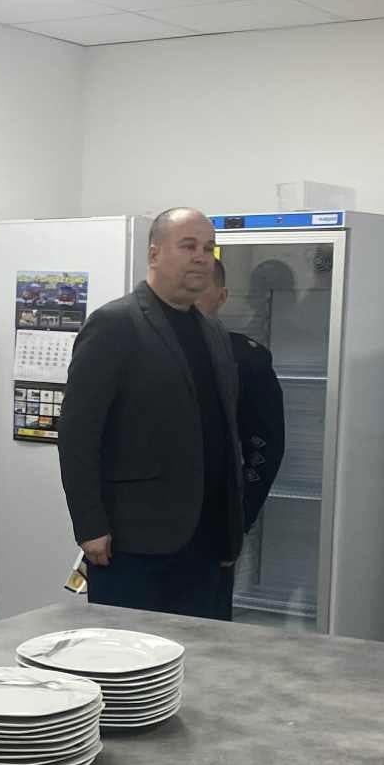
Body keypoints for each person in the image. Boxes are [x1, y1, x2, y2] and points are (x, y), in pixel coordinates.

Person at [57, 208, 242, 621]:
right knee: (130, 653)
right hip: (134, 542)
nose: (202, 257)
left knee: (207, 654)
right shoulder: (114, 324)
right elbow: (77, 434)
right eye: (189, 246)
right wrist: (89, 526)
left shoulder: (212, 331)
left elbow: (225, 433)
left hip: (209, 541)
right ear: (154, 254)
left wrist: (232, 529)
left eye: (209, 248)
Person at [195, 253, 286, 533]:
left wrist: (237, 517)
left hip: (209, 519)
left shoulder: (245, 361)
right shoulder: (144, 353)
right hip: (143, 520)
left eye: (198, 286)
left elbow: (265, 447)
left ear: (221, 297)